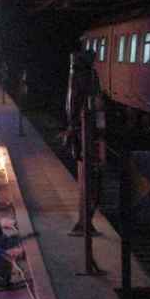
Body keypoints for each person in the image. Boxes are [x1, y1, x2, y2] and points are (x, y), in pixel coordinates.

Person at [65, 50, 105, 236]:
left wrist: (72, 127)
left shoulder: (78, 77)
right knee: (92, 178)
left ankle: (84, 221)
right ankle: (85, 220)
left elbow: (73, 105)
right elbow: (97, 105)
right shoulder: (91, 76)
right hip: (89, 132)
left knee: (88, 177)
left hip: (85, 133)